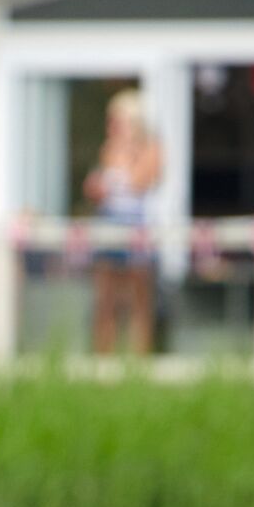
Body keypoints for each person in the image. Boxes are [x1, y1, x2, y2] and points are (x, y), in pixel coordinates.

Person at [86, 89, 163, 356]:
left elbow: (142, 180)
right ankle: (103, 359)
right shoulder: (108, 148)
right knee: (106, 297)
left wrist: (123, 162)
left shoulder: (151, 147)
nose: (111, 126)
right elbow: (99, 190)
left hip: (137, 227)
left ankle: (138, 360)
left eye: (116, 120)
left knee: (139, 299)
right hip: (109, 223)